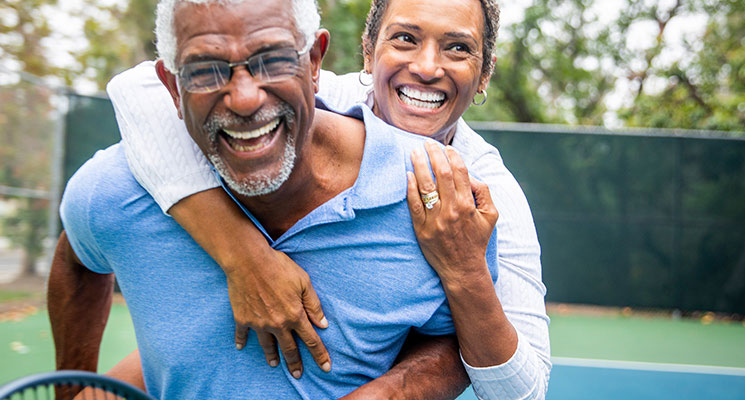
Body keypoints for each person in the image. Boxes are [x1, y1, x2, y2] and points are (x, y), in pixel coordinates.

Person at [52, 0, 502, 398]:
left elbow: (457, 338)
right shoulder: (113, 189)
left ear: (314, 61)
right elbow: (76, 257)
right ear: (171, 86)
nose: (245, 99)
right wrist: (71, 389)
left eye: (271, 60)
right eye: (206, 69)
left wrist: (395, 391)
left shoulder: (443, 203)